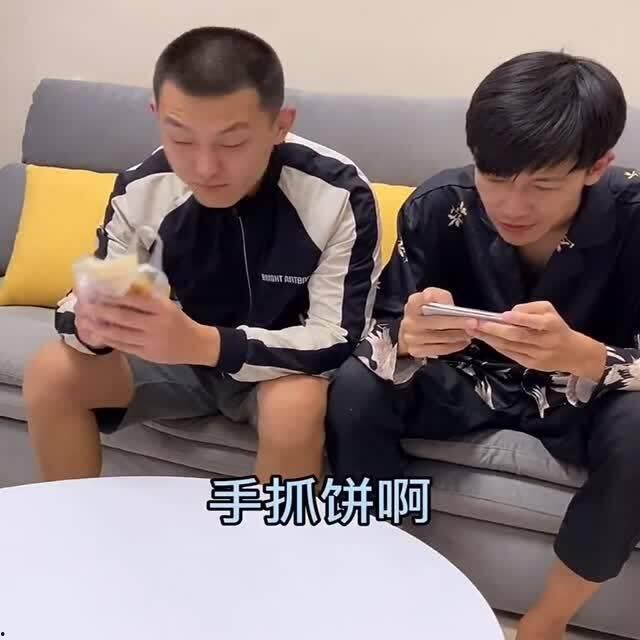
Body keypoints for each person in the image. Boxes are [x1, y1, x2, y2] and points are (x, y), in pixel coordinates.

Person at [326, 51, 640, 639]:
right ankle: (382, 569)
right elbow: (380, 331)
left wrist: (585, 356)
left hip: (588, 394)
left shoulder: (633, 217)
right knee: (358, 387)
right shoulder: (439, 204)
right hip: (466, 380)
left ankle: (546, 622)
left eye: (543, 185)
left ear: (597, 167)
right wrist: (408, 339)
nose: (512, 207)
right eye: (493, 177)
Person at [23, 27, 381, 485]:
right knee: (53, 371)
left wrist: (206, 344)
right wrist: (90, 328)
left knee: (295, 407)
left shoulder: (337, 193)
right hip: (176, 360)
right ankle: (71, 525)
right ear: (157, 117)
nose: (205, 167)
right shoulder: (142, 187)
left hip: (278, 368)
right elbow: (92, 292)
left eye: (232, 143)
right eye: (182, 140)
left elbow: (337, 338)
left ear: (280, 124)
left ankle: (274, 534)